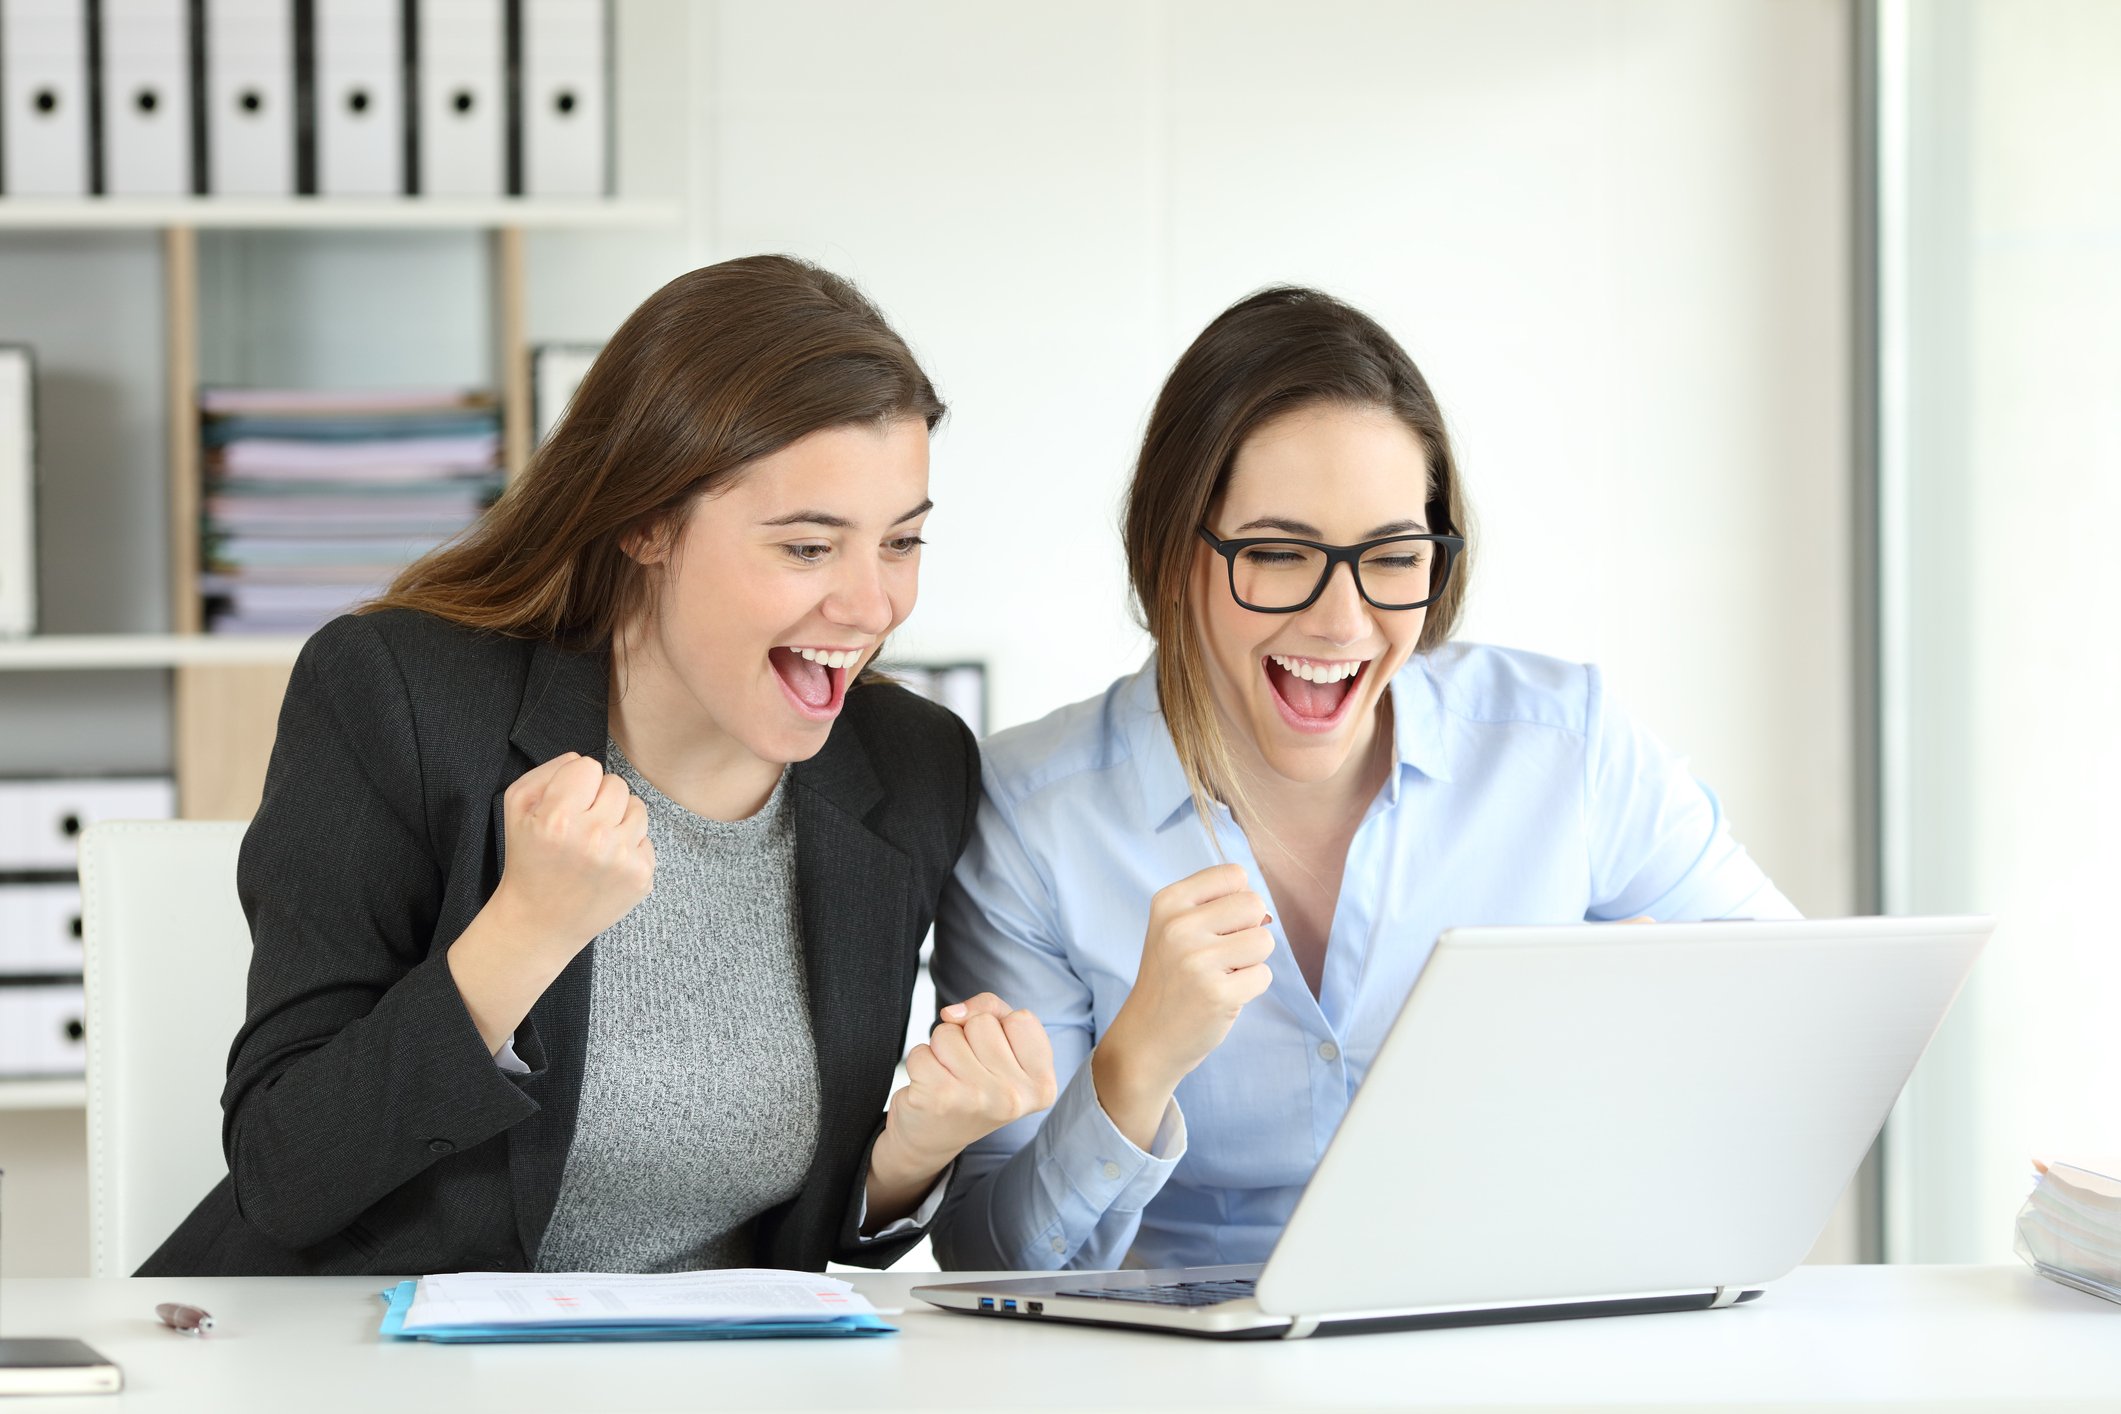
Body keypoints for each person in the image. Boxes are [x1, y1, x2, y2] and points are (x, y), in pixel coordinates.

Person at [142, 255, 1056, 1277]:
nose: (872, 606)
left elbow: (788, 1234)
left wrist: (915, 1150)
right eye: (808, 548)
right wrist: (524, 932)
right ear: (647, 522)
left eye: (902, 543)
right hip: (363, 1346)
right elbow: (285, 1171)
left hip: (702, 1360)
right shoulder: (401, 694)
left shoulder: (911, 766)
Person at [929, 285, 1795, 1271]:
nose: (1342, 622)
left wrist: (1662, 1026)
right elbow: (987, 1261)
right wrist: (1136, 1062)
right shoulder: (1032, 816)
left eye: (1391, 556)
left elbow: (1804, 1021)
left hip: (1513, 1314)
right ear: (1172, 553)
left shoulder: (1566, 745)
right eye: (1278, 553)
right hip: (1188, 1344)